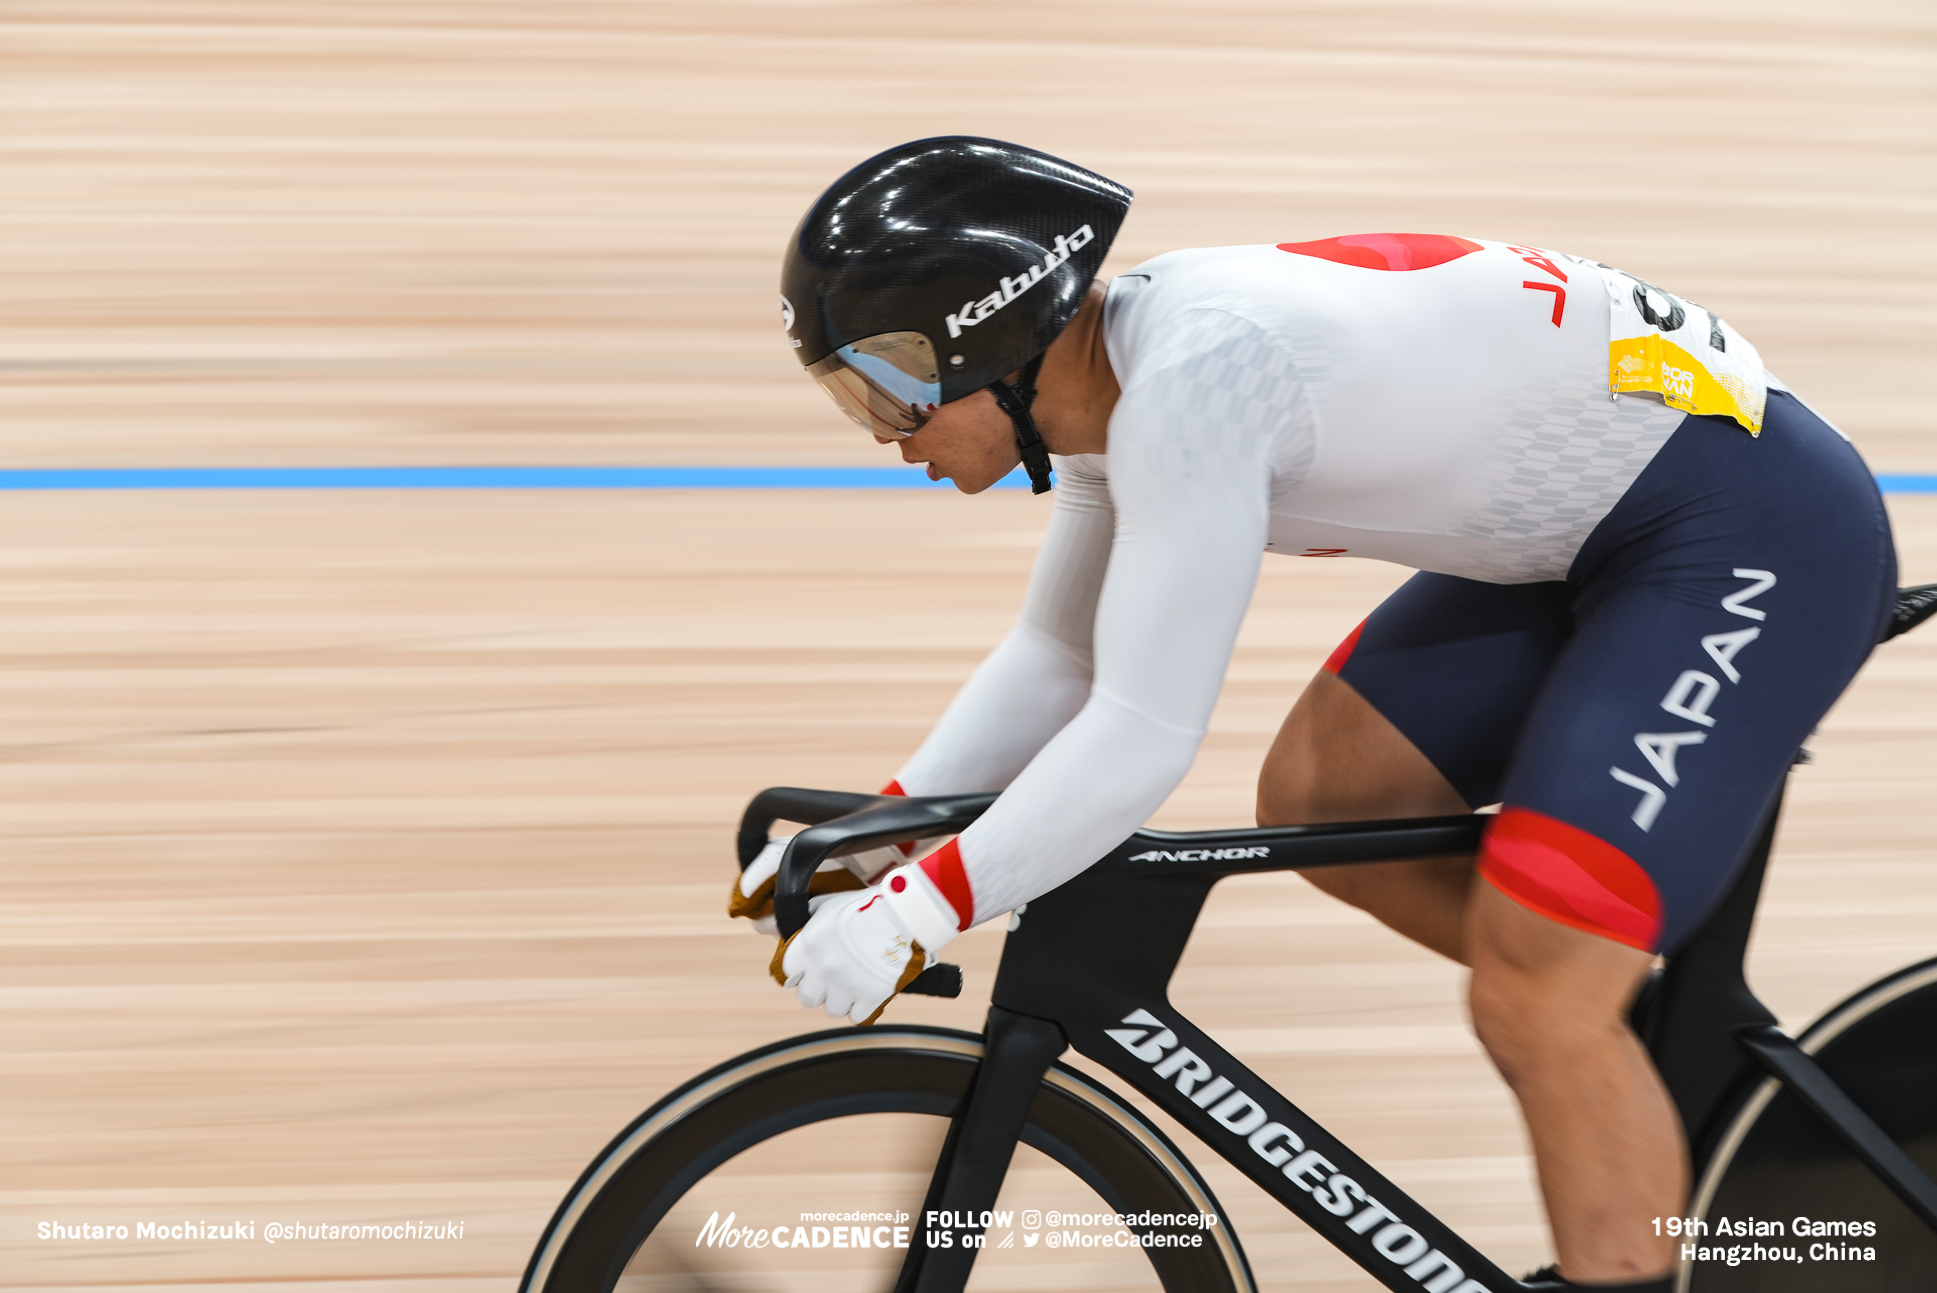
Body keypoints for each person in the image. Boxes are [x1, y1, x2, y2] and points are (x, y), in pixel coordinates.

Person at [729, 136, 1898, 1291]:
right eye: (850, 397)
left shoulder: (1197, 379)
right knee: (1328, 796)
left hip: (1749, 536)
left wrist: (920, 908)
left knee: (1534, 988)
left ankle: (1578, 1026)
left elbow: (1141, 730)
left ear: (987, 340)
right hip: (1600, 532)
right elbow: (1056, 658)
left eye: (886, 389)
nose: (886, 433)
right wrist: (891, 832)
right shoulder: (1108, 387)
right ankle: (1631, 1042)